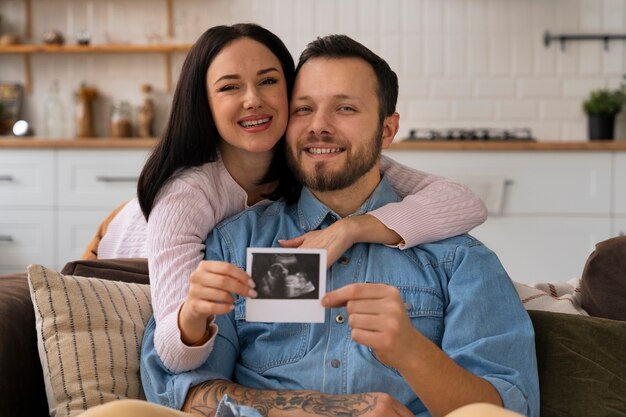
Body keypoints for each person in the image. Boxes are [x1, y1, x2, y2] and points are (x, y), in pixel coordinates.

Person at [136, 34, 539, 417]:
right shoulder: (232, 242)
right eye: (304, 109)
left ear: (387, 129)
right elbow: (181, 390)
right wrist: (335, 409)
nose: (319, 126)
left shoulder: (459, 260)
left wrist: (411, 351)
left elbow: (508, 409)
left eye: (345, 108)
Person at [94, 23, 488, 373]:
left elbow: (463, 201)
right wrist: (193, 314)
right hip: (127, 264)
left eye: (268, 81)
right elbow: (175, 355)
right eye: (230, 87)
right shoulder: (187, 196)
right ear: (205, 104)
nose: (253, 99)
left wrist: (351, 229)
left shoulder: (312, 153)